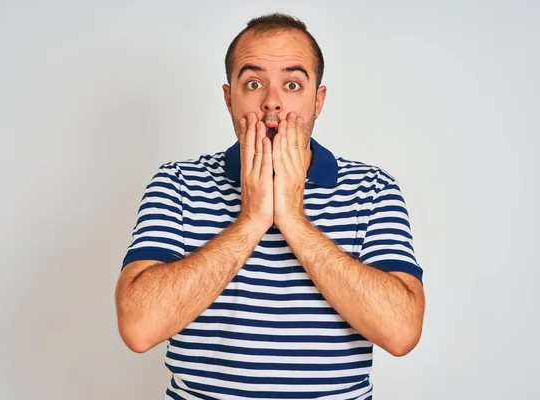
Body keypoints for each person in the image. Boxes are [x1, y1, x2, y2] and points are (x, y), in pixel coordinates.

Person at [115, 13, 425, 400]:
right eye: (254, 83)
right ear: (229, 98)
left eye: (293, 84)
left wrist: (293, 218)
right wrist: (251, 219)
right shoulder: (177, 182)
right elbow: (139, 328)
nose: (272, 103)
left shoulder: (372, 189)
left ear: (318, 100)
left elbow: (401, 333)